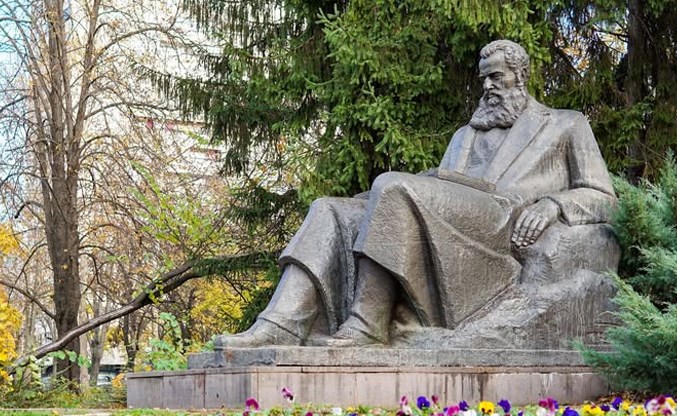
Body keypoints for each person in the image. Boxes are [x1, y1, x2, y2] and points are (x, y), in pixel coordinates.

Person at [215, 39, 616, 349]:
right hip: (450, 224)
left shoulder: (564, 125)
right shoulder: (464, 135)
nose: (488, 87)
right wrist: (367, 203)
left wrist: (553, 204)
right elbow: (435, 189)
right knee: (330, 209)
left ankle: (368, 325)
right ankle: (280, 324)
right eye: (483, 79)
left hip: (499, 225)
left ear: (520, 75)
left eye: (496, 77)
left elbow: (604, 197)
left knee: (392, 185)